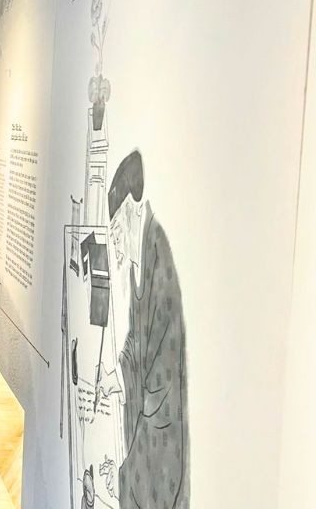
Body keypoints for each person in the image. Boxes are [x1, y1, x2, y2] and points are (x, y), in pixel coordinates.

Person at [97, 150, 190, 508]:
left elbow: (161, 386)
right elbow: (137, 342)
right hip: (148, 435)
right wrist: (114, 376)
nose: (115, 243)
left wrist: (125, 466)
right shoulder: (140, 265)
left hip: (161, 445)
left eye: (117, 230)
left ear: (133, 211)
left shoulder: (157, 256)